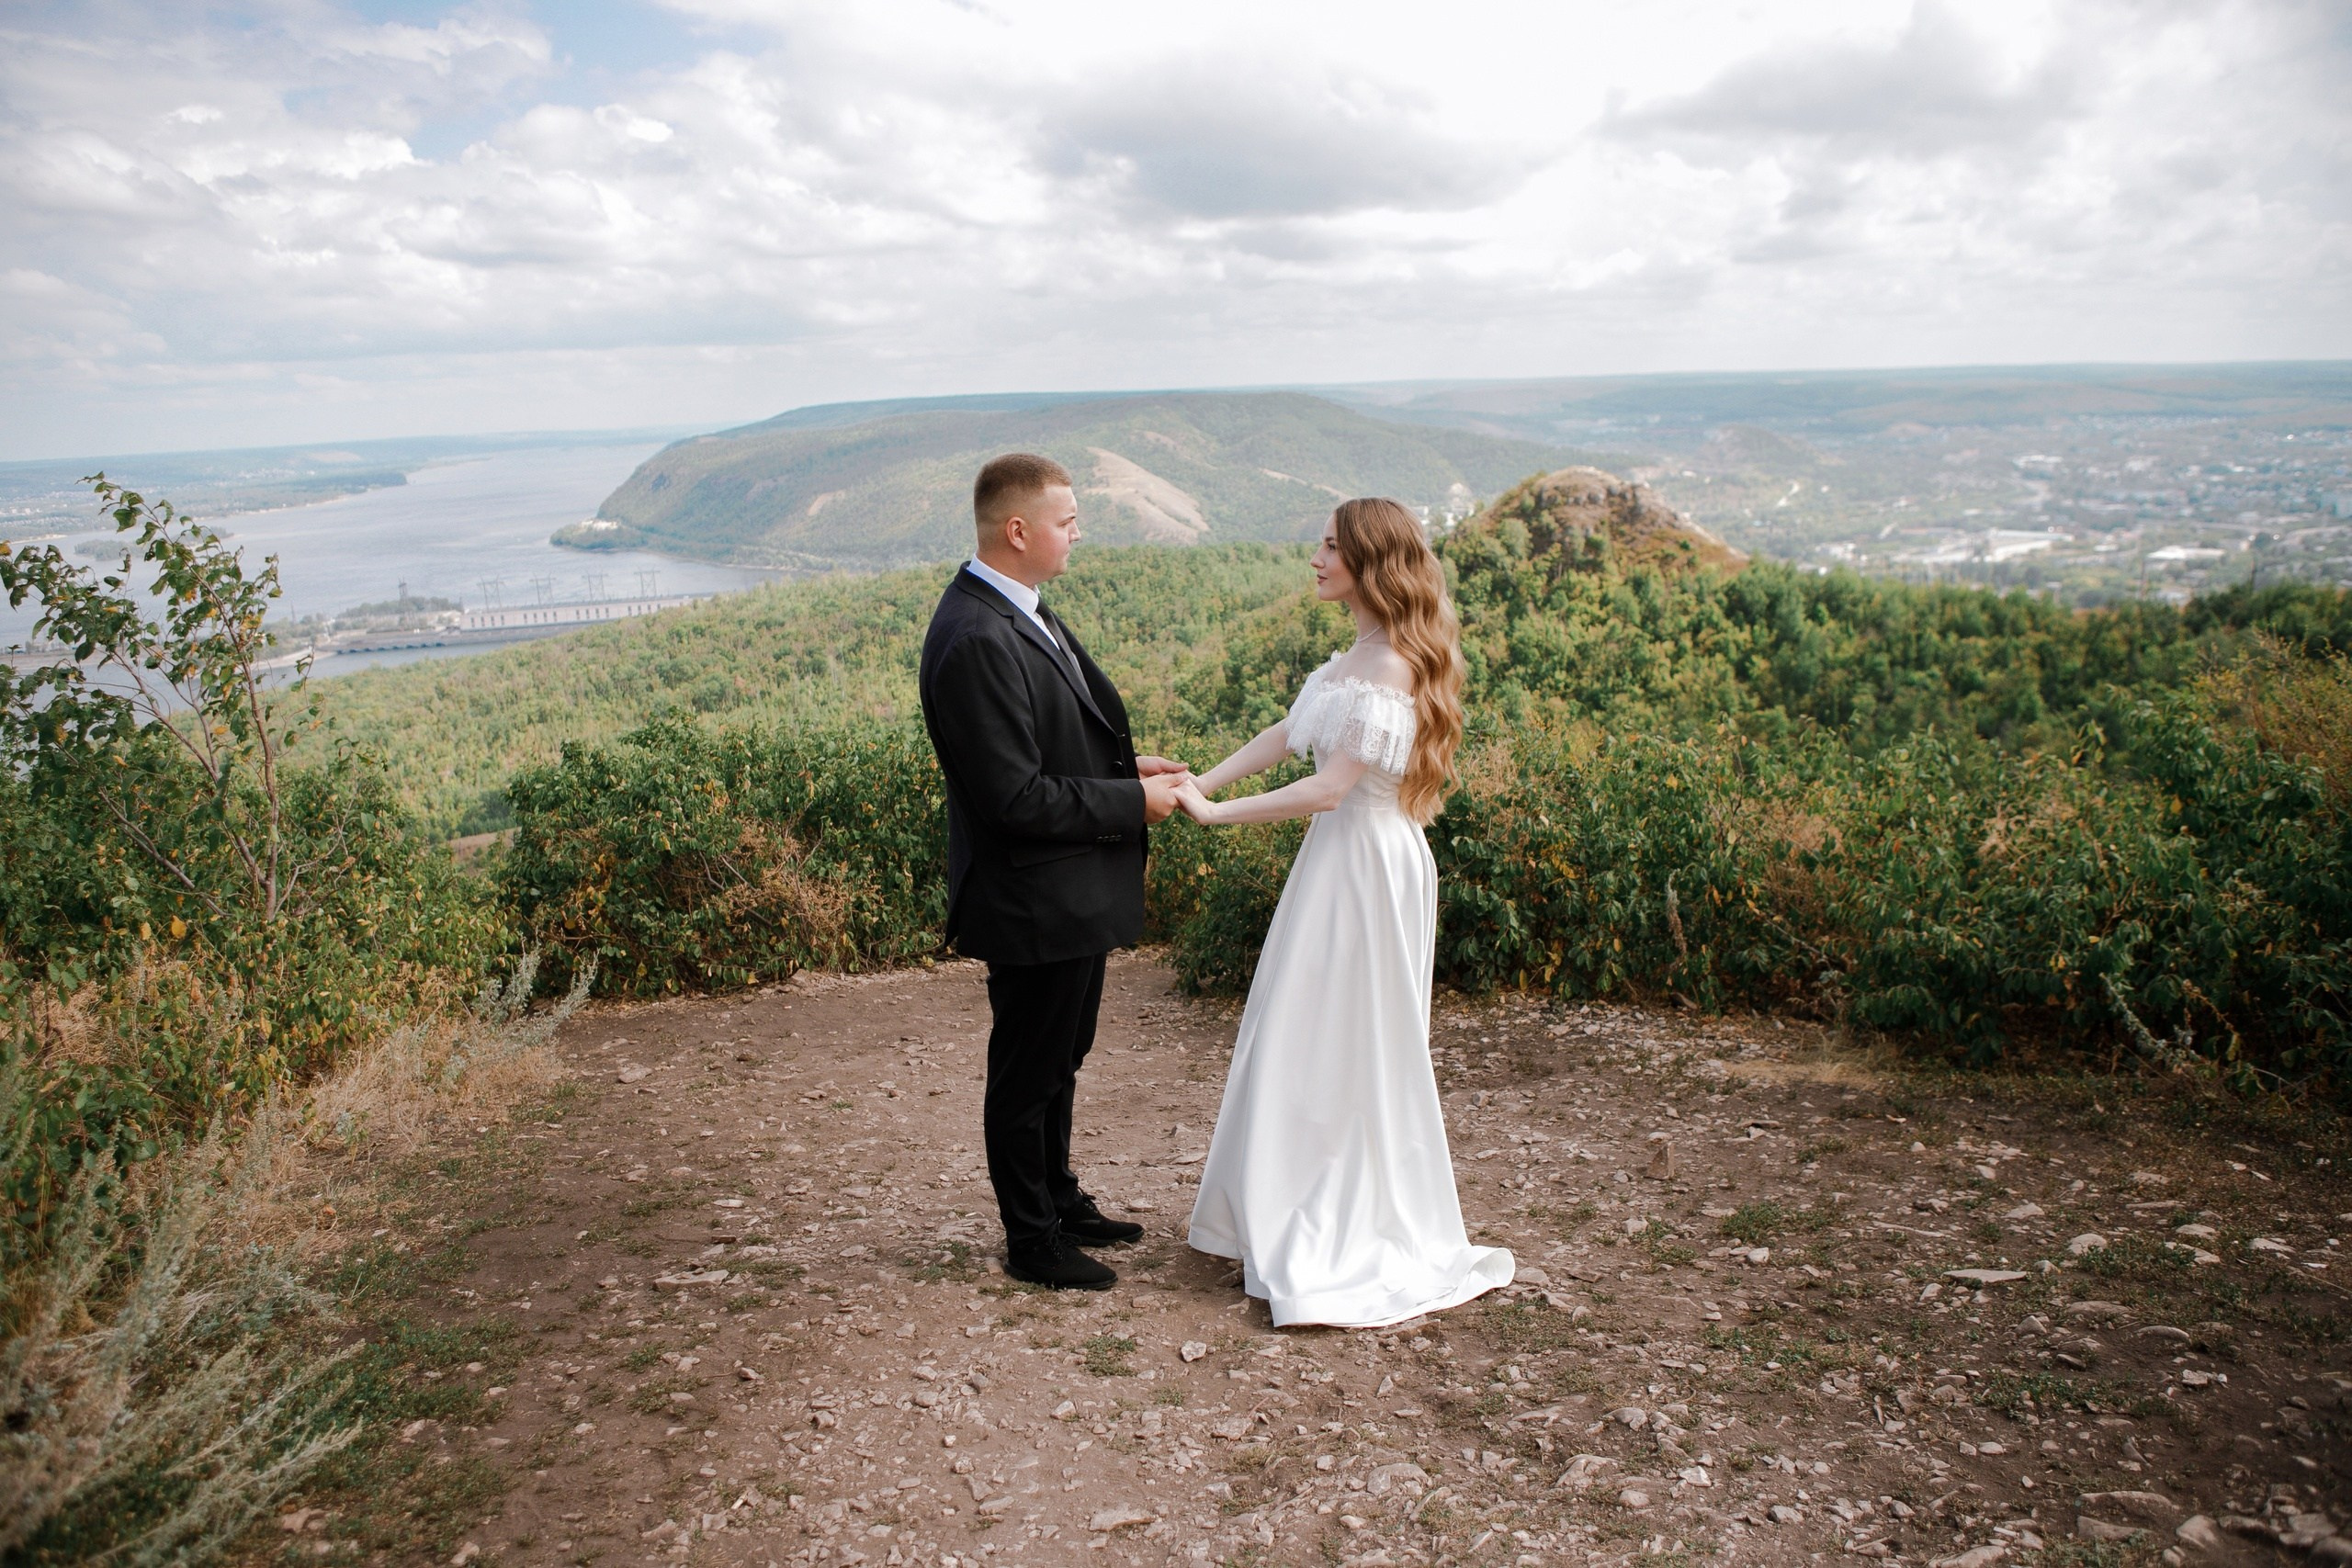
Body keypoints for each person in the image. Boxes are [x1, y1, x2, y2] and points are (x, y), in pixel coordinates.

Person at [1172, 497, 1513, 1328]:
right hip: (1335, 864)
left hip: (1368, 861)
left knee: (1350, 1036)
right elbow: (1288, 733)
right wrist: (1198, 781)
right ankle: (1281, 1202)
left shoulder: (1392, 664)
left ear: (1369, 562)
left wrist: (1217, 818)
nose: (1315, 556)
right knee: (1297, 1027)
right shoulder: (1350, 656)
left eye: (1331, 546)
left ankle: (1340, 1216)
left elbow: (1330, 789)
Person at [918, 453, 1191, 1292]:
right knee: (1029, 1067)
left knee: (1061, 1055)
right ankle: (1031, 1238)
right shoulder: (973, 636)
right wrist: (1126, 805)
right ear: (1018, 529)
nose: (1079, 531)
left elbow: (1047, 740)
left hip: (1067, 888)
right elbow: (1013, 796)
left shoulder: (1019, 609)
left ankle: (1061, 1198)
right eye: (1068, 519)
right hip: (1032, 895)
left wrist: (1123, 767)